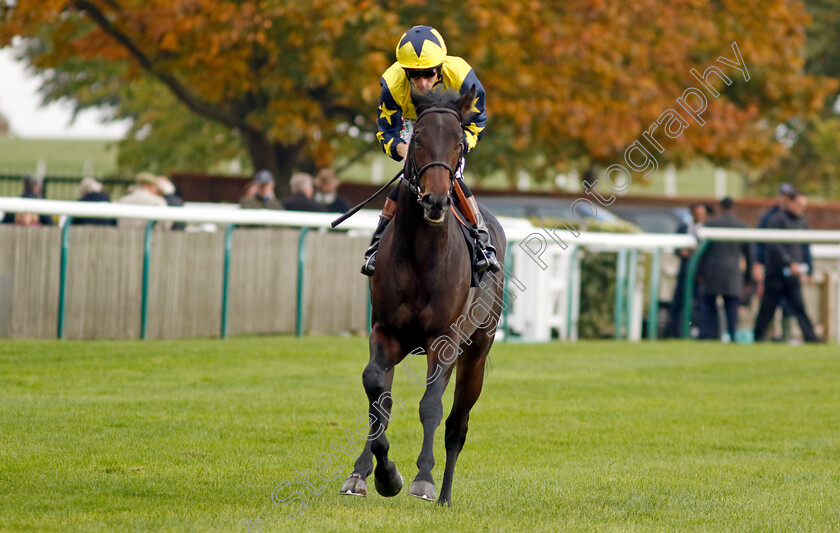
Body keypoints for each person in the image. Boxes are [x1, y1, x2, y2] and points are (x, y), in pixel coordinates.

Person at [361, 25, 500, 276]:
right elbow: (386, 130)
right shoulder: (392, 83)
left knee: (451, 178)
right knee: (407, 179)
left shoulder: (461, 74)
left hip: (449, 129)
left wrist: (460, 144)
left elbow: (477, 119)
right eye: (414, 75)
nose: (423, 83)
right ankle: (376, 245)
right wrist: (404, 151)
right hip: (413, 127)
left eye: (428, 73)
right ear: (405, 72)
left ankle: (482, 242)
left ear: (440, 66)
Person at [753, 191, 820, 343]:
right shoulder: (776, 220)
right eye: (799, 205)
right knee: (767, 309)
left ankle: (811, 338)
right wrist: (790, 262)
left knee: (799, 308)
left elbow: (806, 247)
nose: (802, 209)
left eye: (804, 206)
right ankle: (757, 337)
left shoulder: (802, 222)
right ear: (790, 203)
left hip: (793, 275)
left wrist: (809, 269)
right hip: (776, 273)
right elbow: (775, 246)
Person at [695, 198, 753, 341]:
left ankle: (709, 335)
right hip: (733, 272)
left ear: (720, 207)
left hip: (712, 271)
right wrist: (748, 278)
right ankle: (732, 334)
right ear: (734, 208)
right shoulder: (742, 226)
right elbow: (749, 255)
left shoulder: (710, 224)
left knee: (708, 306)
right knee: (731, 307)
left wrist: (699, 272)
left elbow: (702, 252)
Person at [664, 203, 707, 338]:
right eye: (697, 214)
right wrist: (681, 252)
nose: (700, 216)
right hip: (684, 272)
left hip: (700, 274)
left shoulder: (707, 229)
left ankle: (701, 332)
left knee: (700, 304)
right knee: (678, 303)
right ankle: (674, 332)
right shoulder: (683, 227)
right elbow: (675, 247)